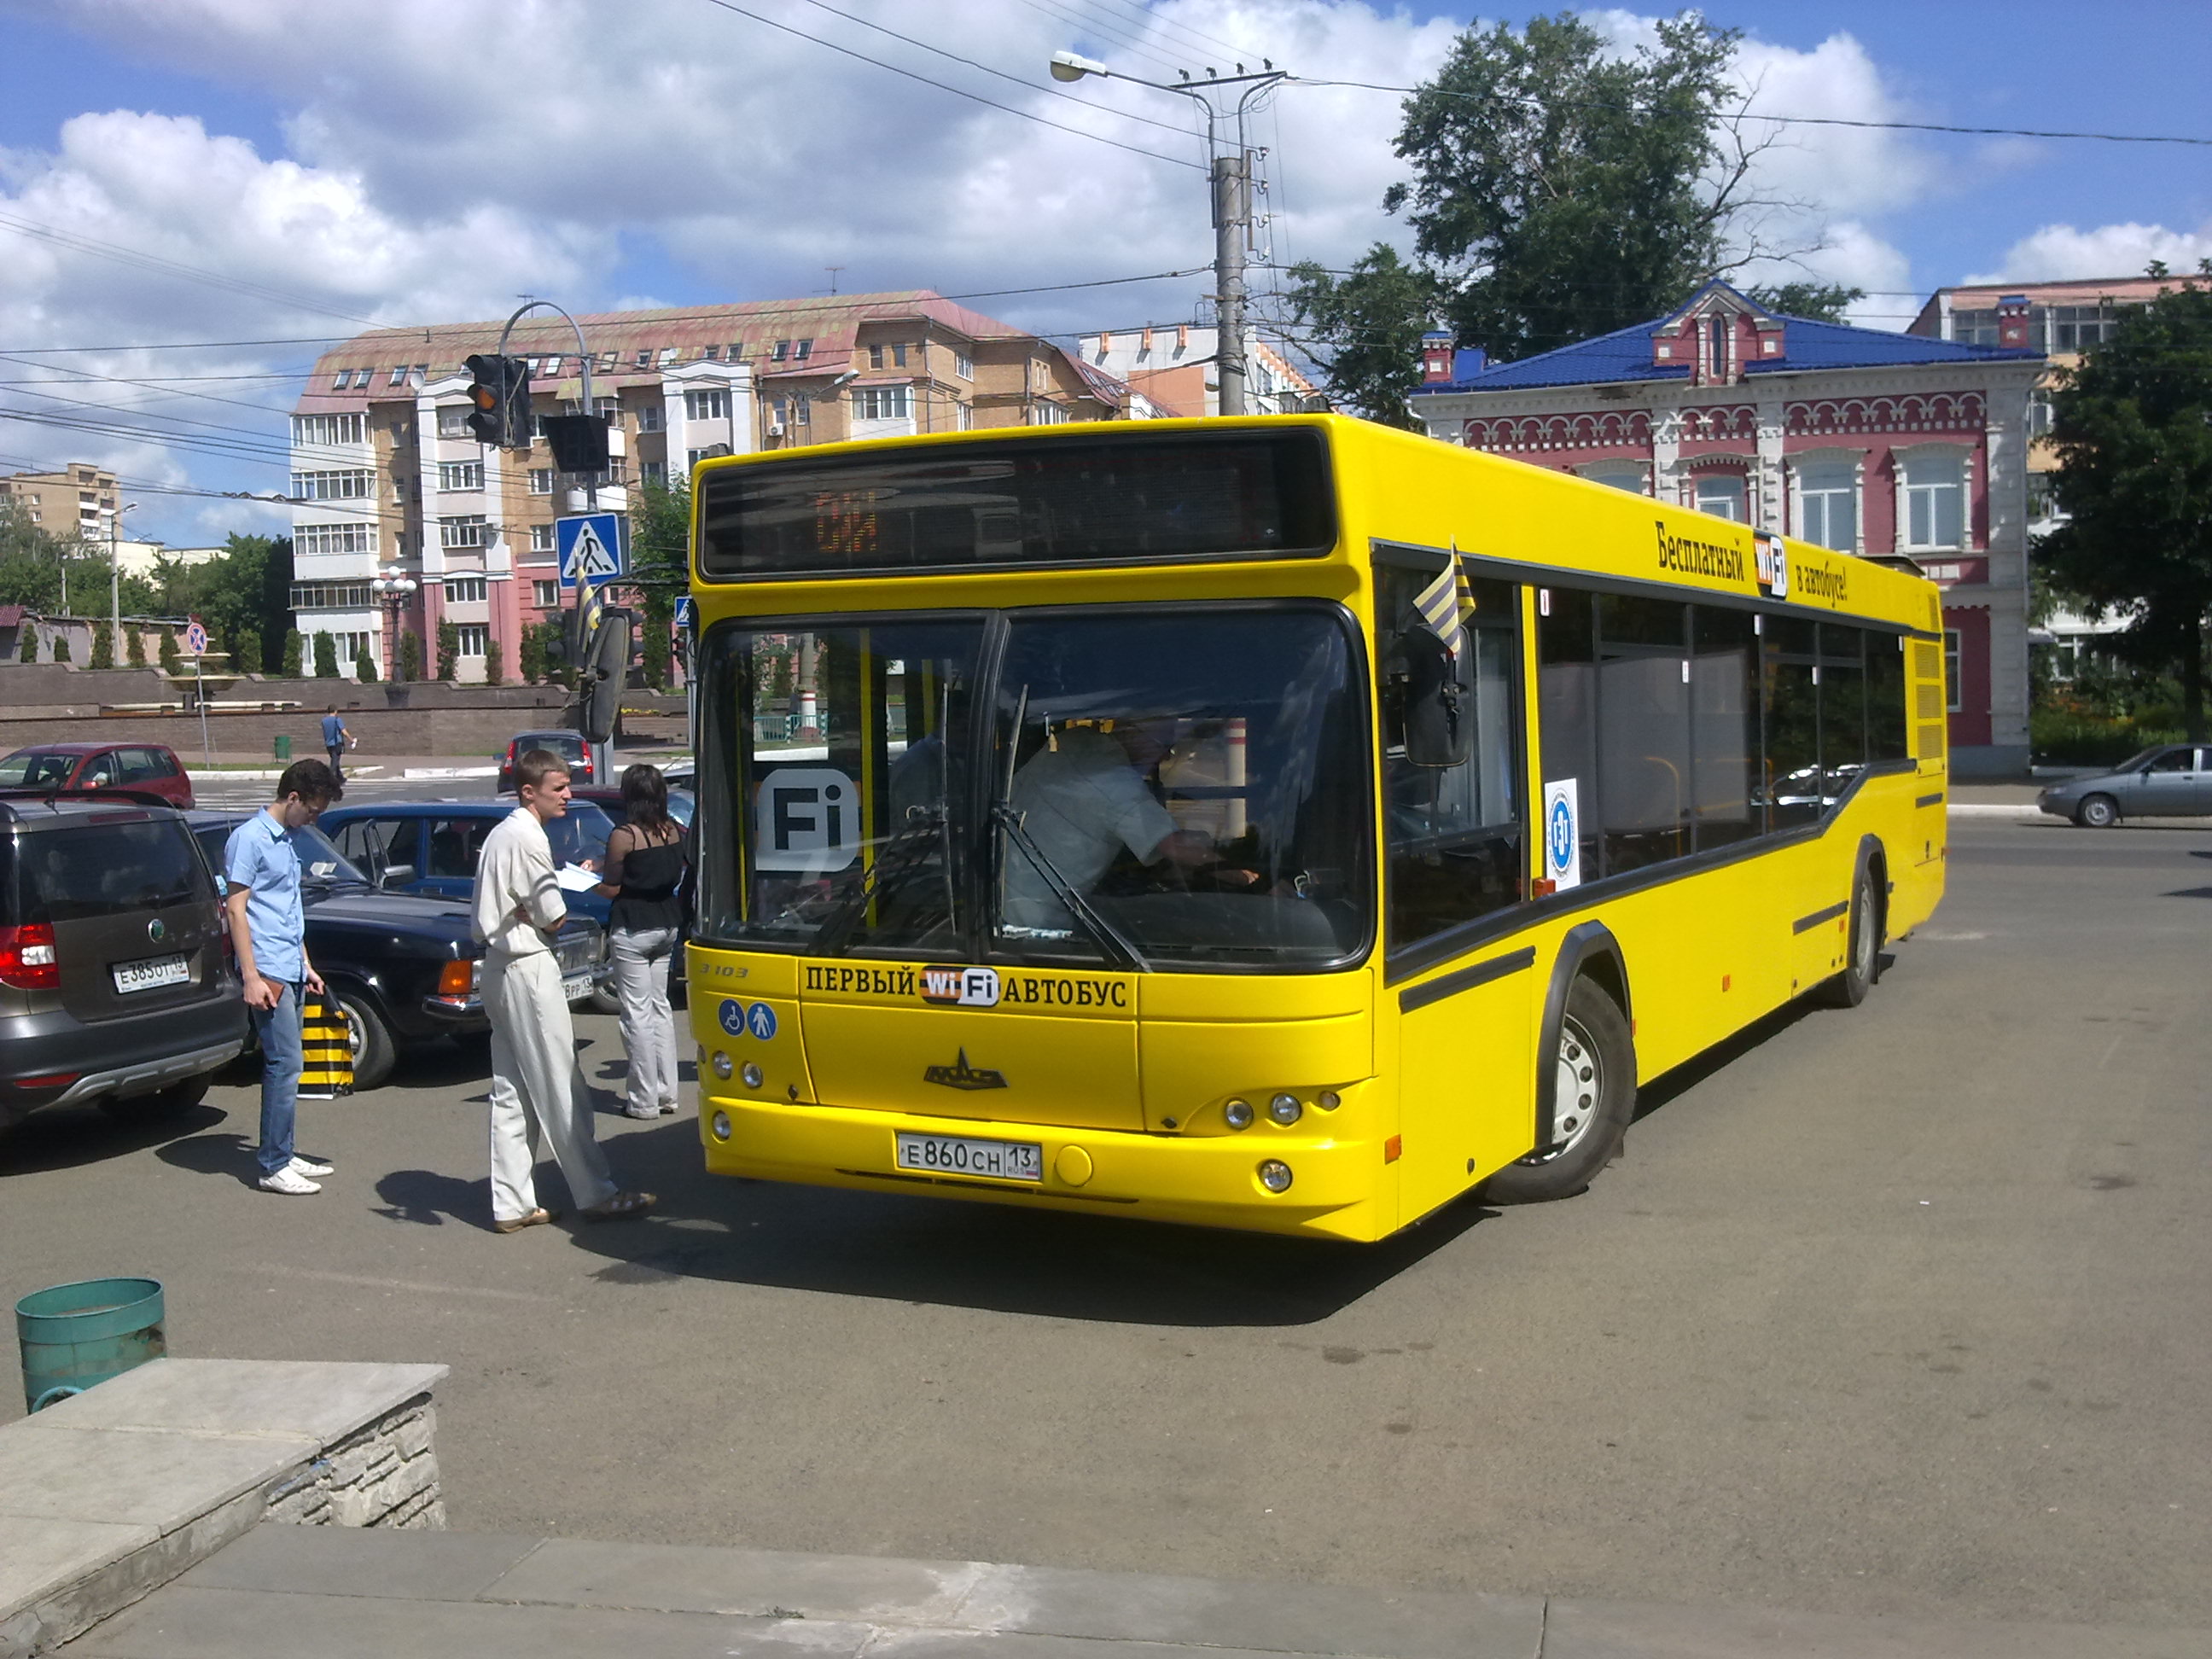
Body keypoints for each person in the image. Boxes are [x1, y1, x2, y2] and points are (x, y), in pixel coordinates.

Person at [474, 747, 655, 1233]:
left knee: (512, 1090)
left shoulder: (501, 834)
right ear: (528, 791)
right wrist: (546, 905)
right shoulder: (529, 837)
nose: (569, 796)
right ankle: (596, 1193)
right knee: (561, 1083)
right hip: (528, 968)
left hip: (497, 966)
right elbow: (553, 917)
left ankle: (511, 1203)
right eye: (560, 789)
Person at [223, 759, 343, 1196]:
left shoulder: (289, 840)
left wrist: (306, 964)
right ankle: (272, 1164)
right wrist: (251, 976)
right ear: (292, 797)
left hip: (288, 963)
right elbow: (237, 909)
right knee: (284, 1063)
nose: (314, 818)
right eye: (312, 809)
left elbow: (288, 912)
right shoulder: (250, 840)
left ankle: (284, 1152)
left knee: (291, 1063)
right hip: (267, 968)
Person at [1000, 721, 1216, 932]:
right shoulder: (1116, 783)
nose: (1167, 756)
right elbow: (1173, 846)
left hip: (1002, 894)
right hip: (1038, 920)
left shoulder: (1074, 740)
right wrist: (1232, 868)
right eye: (1162, 745)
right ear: (1132, 734)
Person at [594, 764, 687, 1120]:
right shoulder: (673, 830)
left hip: (633, 927)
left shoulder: (625, 835)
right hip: (667, 925)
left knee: (636, 1014)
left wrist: (585, 878)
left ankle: (643, 1100)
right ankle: (668, 1092)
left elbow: (612, 887)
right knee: (660, 1008)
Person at [320, 705, 354, 783]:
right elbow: (344, 732)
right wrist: (351, 739)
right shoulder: (337, 720)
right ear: (335, 711)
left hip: (328, 743)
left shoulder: (324, 721)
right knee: (335, 762)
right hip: (337, 743)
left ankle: (340, 778)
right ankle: (329, 779)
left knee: (335, 760)